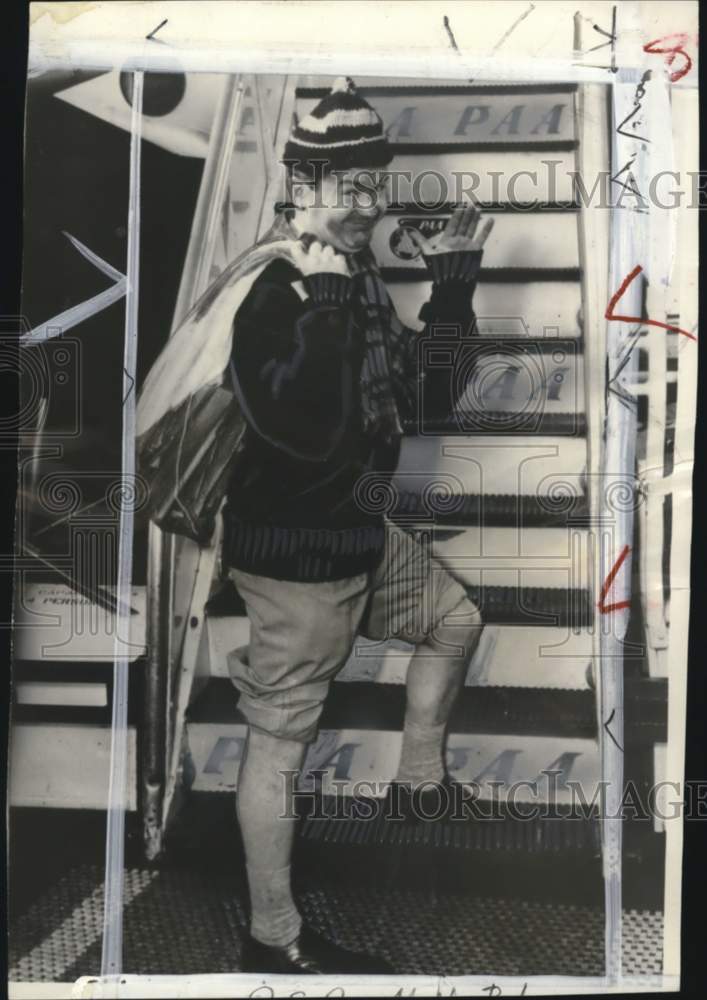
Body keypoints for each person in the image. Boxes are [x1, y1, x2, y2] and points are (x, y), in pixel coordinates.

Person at [220, 77, 494, 974]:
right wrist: (328, 303)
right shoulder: (274, 288)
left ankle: (418, 787)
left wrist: (451, 288)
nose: (365, 204)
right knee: (280, 744)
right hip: (295, 556)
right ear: (300, 186)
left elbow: (424, 400)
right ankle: (273, 938)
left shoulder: (356, 278)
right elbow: (309, 430)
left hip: (359, 535)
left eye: (374, 184)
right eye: (345, 185)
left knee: (454, 618)